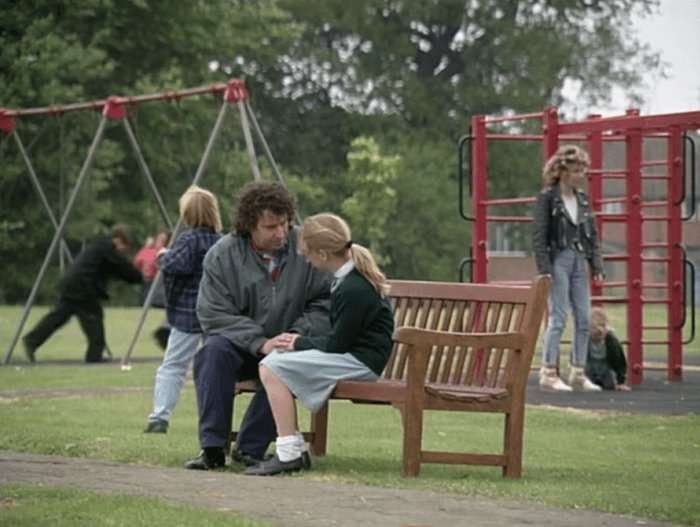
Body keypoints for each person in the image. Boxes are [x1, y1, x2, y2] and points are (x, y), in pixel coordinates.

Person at [184, 182, 332, 471]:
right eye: (271, 226)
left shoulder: (307, 249)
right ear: (249, 225)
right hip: (240, 348)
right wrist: (259, 342)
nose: (281, 233)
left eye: (285, 224)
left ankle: (250, 449)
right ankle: (212, 449)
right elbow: (212, 312)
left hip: (288, 346)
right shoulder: (222, 254)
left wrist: (295, 335)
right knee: (211, 352)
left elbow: (326, 302)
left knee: (287, 364)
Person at [244, 213, 394, 476]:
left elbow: (338, 344)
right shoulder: (349, 279)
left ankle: (289, 452)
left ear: (323, 254)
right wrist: (300, 344)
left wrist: (299, 343)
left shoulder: (353, 288)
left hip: (360, 362)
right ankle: (293, 448)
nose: (307, 260)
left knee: (271, 367)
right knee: (276, 364)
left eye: (308, 254)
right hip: (354, 356)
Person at [144, 186, 223, 434]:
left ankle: (160, 417)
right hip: (217, 315)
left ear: (187, 214)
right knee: (212, 368)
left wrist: (162, 255)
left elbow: (175, 264)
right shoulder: (222, 241)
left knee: (174, 365)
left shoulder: (189, 240)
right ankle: (213, 419)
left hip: (187, 314)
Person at [532, 145, 603, 392]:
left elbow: (592, 235)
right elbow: (539, 236)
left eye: (583, 169)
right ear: (562, 172)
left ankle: (578, 372)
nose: (581, 174)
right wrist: (545, 269)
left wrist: (596, 264)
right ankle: (548, 372)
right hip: (558, 259)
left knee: (583, 317)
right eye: (576, 170)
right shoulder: (547, 198)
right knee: (559, 316)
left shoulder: (582, 200)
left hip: (578, 260)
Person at [23, 224, 142, 363]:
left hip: (74, 285)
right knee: (94, 318)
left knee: (58, 316)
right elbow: (122, 267)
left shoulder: (100, 246)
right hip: (82, 288)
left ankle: (32, 340)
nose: (124, 251)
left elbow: (117, 270)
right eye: (125, 246)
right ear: (120, 240)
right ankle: (94, 356)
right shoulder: (107, 248)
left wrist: (134, 277)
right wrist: (140, 277)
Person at [133, 231, 171, 350]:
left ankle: (167, 327)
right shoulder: (151, 252)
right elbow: (139, 261)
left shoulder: (166, 253)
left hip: (160, 282)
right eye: (159, 239)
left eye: (163, 240)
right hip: (150, 282)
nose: (160, 242)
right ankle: (166, 328)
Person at [585, 308, 630, 391]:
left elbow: (620, 362)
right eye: (594, 330)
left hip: (606, 370)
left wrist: (621, 382)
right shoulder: (585, 339)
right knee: (587, 385)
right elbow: (575, 358)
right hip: (589, 369)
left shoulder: (612, 341)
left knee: (610, 386)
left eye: (602, 327)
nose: (598, 333)